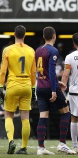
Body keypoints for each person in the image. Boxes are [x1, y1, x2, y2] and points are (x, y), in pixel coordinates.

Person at [35, 26, 76, 155]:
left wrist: (55, 82)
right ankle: (62, 144)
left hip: (40, 86)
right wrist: (54, 89)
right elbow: (52, 71)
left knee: (43, 115)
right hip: (49, 87)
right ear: (54, 36)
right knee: (65, 112)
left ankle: (41, 147)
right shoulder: (53, 50)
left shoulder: (38, 50)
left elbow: (43, 71)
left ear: (43, 37)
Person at [0, 25, 36, 154]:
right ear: (25, 35)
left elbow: (3, 71)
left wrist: (0, 86)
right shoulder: (31, 51)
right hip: (27, 84)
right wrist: (33, 88)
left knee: (8, 115)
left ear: (14, 35)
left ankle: (11, 141)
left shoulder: (8, 50)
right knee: (25, 117)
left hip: (13, 84)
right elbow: (33, 73)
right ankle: (24, 147)